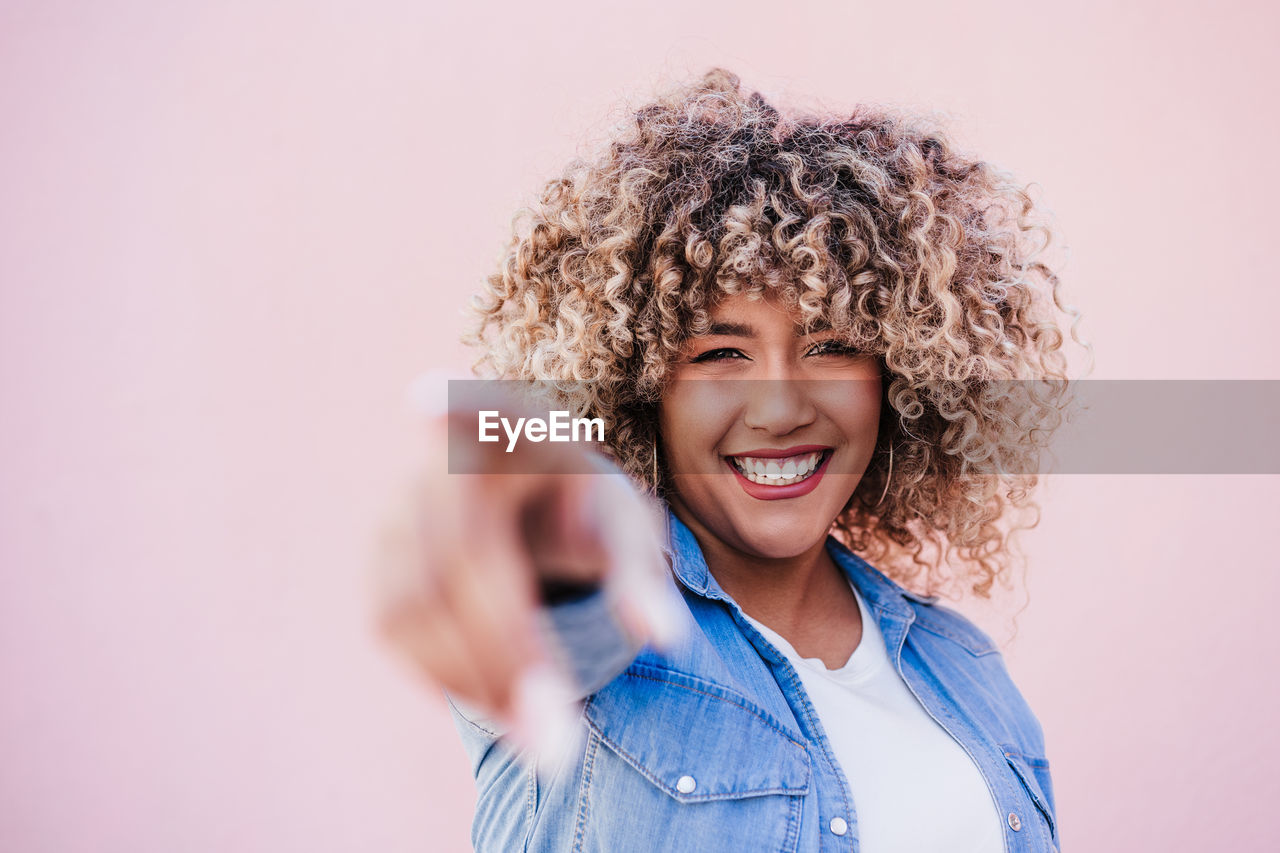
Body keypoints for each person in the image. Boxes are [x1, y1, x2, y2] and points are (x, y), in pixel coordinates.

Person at [372, 68, 1084, 853]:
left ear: (901, 376)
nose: (780, 409)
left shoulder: (968, 673)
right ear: (640, 385)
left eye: (832, 345)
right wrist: (532, 532)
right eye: (719, 352)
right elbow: (533, 587)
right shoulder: (611, 633)